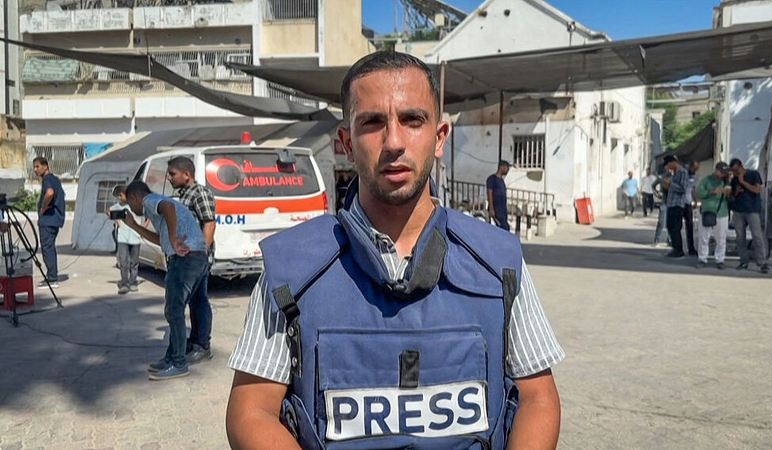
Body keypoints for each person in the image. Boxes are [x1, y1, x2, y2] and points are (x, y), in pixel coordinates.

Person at [226, 51, 564, 450]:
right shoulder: (290, 269)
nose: (394, 142)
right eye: (373, 122)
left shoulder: (499, 261)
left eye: (412, 119)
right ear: (346, 143)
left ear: (439, 138)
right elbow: (251, 412)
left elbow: (537, 397)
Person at [122, 181, 208, 381]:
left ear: (135, 197)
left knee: (174, 310)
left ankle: (178, 363)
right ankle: (172, 357)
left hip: (185, 259)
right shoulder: (158, 208)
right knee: (178, 309)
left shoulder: (150, 200)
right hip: (197, 256)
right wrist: (133, 226)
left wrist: (174, 238)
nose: (132, 209)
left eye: (129, 203)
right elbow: (161, 240)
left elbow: (168, 209)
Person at [167, 156, 216, 364]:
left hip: (197, 259)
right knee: (194, 301)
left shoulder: (200, 193)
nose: (169, 178)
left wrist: (200, 253)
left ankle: (202, 345)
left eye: (172, 174)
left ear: (187, 174)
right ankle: (194, 340)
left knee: (199, 301)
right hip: (187, 258)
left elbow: (210, 223)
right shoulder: (185, 194)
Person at [729, 158, 769, 273]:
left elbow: (757, 190)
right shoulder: (735, 179)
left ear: (741, 167)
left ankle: (762, 262)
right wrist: (736, 191)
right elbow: (732, 195)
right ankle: (743, 260)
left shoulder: (753, 174)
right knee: (740, 236)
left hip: (752, 209)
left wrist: (743, 182)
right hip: (738, 209)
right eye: (733, 171)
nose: (735, 173)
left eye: (736, 171)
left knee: (757, 236)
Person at [106, 185, 147, 294]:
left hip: (136, 237)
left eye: (121, 195)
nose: (119, 198)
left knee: (134, 262)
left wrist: (143, 228)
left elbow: (148, 217)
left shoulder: (138, 205)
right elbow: (108, 211)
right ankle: (125, 284)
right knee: (124, 262)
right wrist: (117, 221)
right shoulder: (119, 205)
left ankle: (133, 282)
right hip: (122, 237)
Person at [33, 157, 65, 288]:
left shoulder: (48, 180)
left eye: (38, 166)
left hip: (48, 219)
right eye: (34, 167)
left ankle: (52, 278)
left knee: (47, 248)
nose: (36, 169)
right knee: (50, 247)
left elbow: (50, 193)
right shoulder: (55, 179)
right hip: (55, 219)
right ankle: (52, 275)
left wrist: (44, 208)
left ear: (46, 166)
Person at [695, 162, 730, 270]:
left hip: (722, 212)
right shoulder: (706, 180)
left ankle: (720, 259)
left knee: (721, 238)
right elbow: (699, 193)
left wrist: (729, 192)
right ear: (716, 170)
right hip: (707, 211)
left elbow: (731, 196)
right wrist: (712, 191)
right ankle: (702, 259)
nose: (722, 175)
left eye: (724, 173)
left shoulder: (726, 181)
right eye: (721, 172)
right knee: (704, 237)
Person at [662, 155, 692, 258]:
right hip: (671, 203)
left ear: (673, 162)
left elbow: (683, 188)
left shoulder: (682, 172)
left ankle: (679, 250)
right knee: (670, 226)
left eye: (668, 164)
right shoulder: (674, 173)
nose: (668, 167)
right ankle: (675, 248)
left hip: (678, 204)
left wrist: (670, 184)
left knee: (675, 227)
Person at [487, 160, 511, 230]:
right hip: (496, 208)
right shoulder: (492, 179)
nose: (507, 170)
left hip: (502, 209)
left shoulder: (501, 181)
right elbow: (489, 193)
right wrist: (491, 208)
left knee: (504, 227)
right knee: (503, 227)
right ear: (502, 167)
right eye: (507, 168)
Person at [653, 166, 672, 246]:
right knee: (661, 222)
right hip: (664, 202)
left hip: (673, 203)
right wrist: (657, 194)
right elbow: (653, 185)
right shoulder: (662, 177)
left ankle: (670, 240)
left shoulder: (676, 177)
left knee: (671, 223)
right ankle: (657, 239)